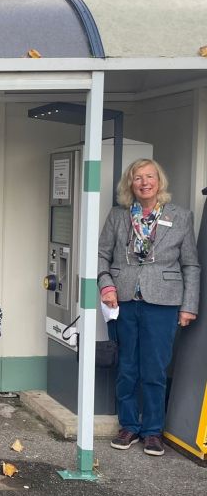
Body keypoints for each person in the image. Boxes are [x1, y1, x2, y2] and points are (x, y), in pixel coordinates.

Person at [98, 158, 199, 456]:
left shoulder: (180, 216)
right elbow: (102, 255)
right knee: (127, 366)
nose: (144, 182)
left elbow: (191, 265)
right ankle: (129, 426)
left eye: (150, 176)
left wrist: (188, 305)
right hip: (124, 301)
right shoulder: (117, 216)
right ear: (130, 184)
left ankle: (153, 431)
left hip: (164, 302)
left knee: (154, 369)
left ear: (159, 181)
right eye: (138, 177)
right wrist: (106, 285)